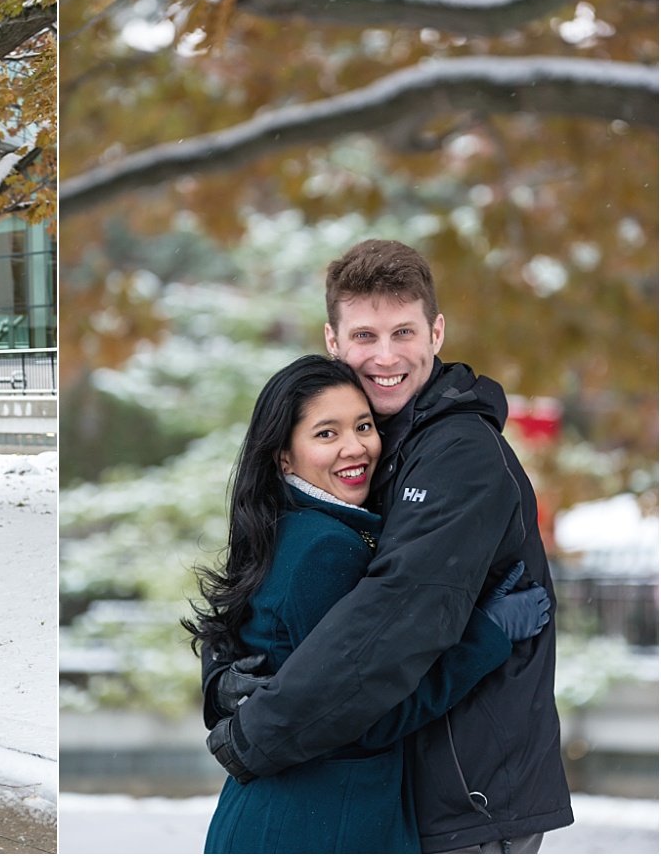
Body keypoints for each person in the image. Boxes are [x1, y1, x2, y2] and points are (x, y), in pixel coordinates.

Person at [205, 241, 573, 853]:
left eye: (403, 331)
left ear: (436, 332)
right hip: (391, 794)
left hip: (465, 794)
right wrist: (221, 678)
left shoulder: (456, 454)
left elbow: (399, 613)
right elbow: (254, 574)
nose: (384, 356)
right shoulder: (368, 447)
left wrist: (253, 735)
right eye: (364, 335)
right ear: (333, 340)